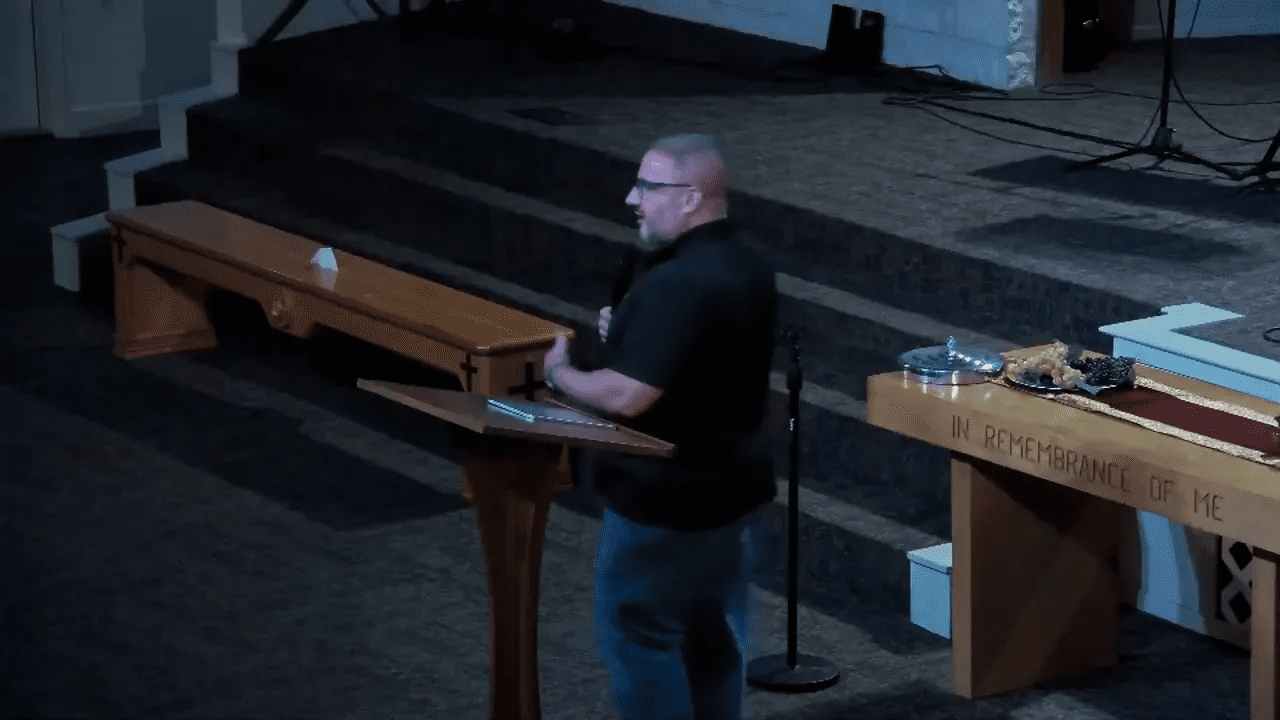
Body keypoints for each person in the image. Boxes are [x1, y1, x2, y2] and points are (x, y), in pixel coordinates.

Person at [541, 133, 778, 720]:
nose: (631, 198)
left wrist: (560, 374)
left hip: (662, 501)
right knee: (714, 643)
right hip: (728, 496)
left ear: (693, 197)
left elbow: (627, 394)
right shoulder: (746, 263)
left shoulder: (678, 282)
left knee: (640, 641)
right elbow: (703, 356)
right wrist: (631, 329)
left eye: (648, 187)